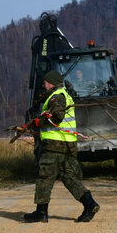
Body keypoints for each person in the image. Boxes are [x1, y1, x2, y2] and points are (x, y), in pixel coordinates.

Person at [24, 70, 100, 223]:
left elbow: (56, 118)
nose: (43, 84)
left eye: (45, 82)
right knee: (69, 177)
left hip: (54, 145)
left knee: (45, 177)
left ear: (51, 82)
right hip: (66, 144)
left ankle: (41, 212)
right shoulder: (63, 95)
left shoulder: (57, 96)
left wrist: (40, 122)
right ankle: (90, 204)